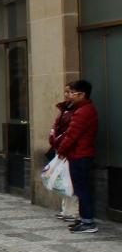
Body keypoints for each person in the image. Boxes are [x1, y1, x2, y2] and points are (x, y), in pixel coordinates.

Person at [55, 79, 99, 234]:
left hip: (81, 155)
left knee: (82, 189)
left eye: (73, 93)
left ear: (82, 94)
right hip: (78, 154)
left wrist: (61, 150)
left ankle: (88, 222)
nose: (70, 96)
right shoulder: (80, 109)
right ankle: (83, 219)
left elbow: (72, 135)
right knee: (80, 189)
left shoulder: (83, 111)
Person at [48, 85, 79, 222]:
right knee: (62, 179)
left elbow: (69, 133)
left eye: (71, 92)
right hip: (60, 148)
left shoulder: (75, 110)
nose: (67, 94)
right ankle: (65, 210)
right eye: (66, 92)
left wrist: (59, 143)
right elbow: (56, 126)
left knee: (69, 181)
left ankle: (73, 212)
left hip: (68, 150)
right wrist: (53, 137)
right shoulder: (64, 108)